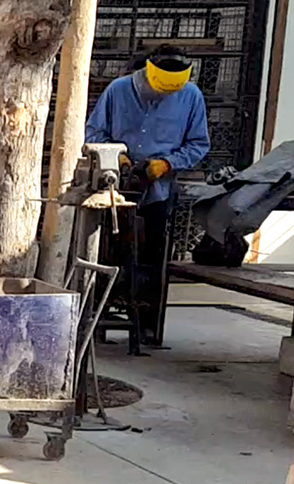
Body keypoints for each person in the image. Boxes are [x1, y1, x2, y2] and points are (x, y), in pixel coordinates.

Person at [83, 42, 209, 340]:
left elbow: (198, 144)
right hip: (115, 190)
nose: (163, 96)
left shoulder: (191, 96)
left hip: (158, 192)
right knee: (108, 253)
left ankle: (147, 324)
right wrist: (117, 156)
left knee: (152, 257)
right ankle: (99, 316)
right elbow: (93, 131)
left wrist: (167, 164)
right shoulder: (119, 90)